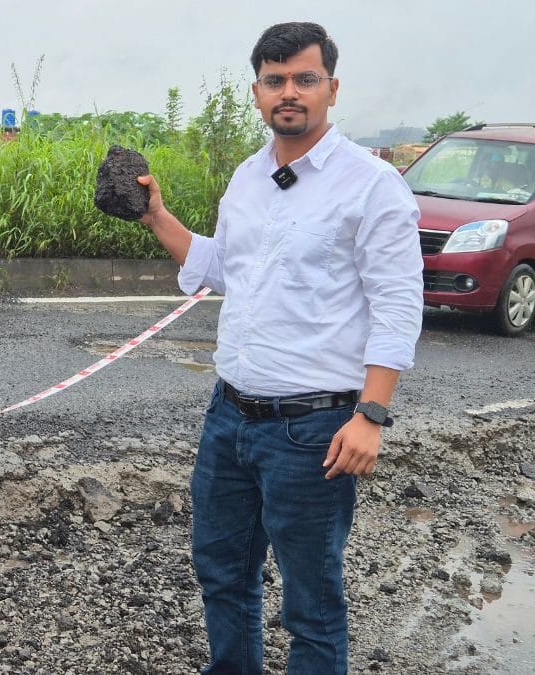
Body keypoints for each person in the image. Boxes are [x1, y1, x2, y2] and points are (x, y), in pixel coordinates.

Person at [136, 22, 424, 674]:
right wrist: (157, 216)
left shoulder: (371, 187)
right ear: (258, 91)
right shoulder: (248, 176)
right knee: (220, 571)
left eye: (304, 79)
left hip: (315, 428)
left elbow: (399, 306)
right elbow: (221, 266)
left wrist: (371, 414)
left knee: (311, 602)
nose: (288, 92)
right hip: (230, 416)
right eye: (275, 80)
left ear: (331, 88)